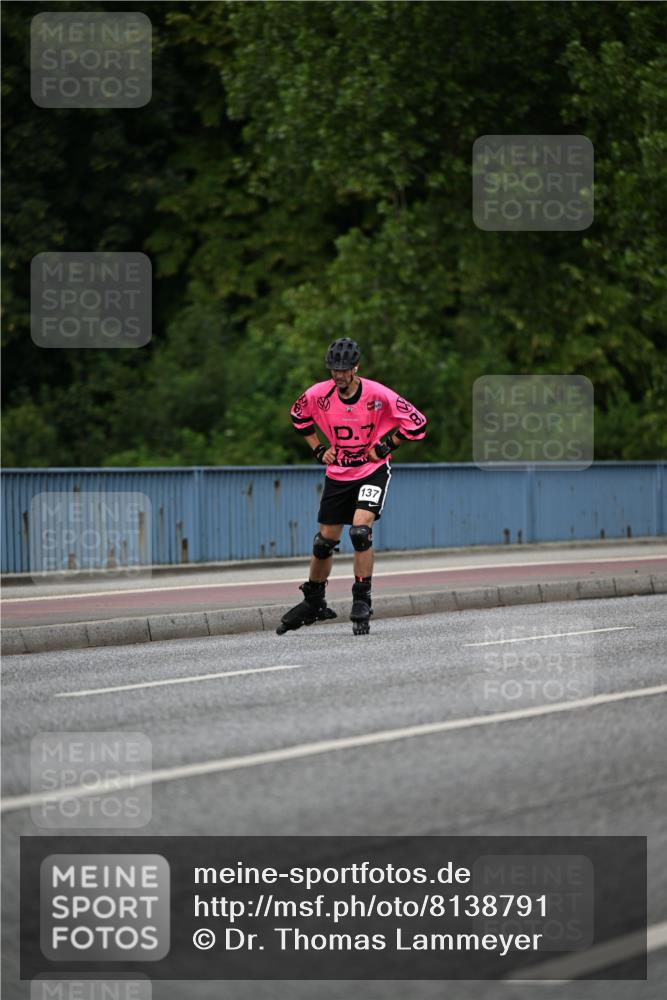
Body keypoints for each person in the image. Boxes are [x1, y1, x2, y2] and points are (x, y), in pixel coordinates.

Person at [277, 337, 427, 636]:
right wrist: (318, 449)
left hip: (371, 471)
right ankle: (314, 600)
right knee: (324, 542)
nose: (339, 375)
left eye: (345, 370)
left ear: (356, 368)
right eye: (334, 370)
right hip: (338, 474)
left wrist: (386, 446)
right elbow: (298, 417)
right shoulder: (318, 394)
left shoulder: (377, 394)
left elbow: (418, 423)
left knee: (360, 531)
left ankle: (361, 599)